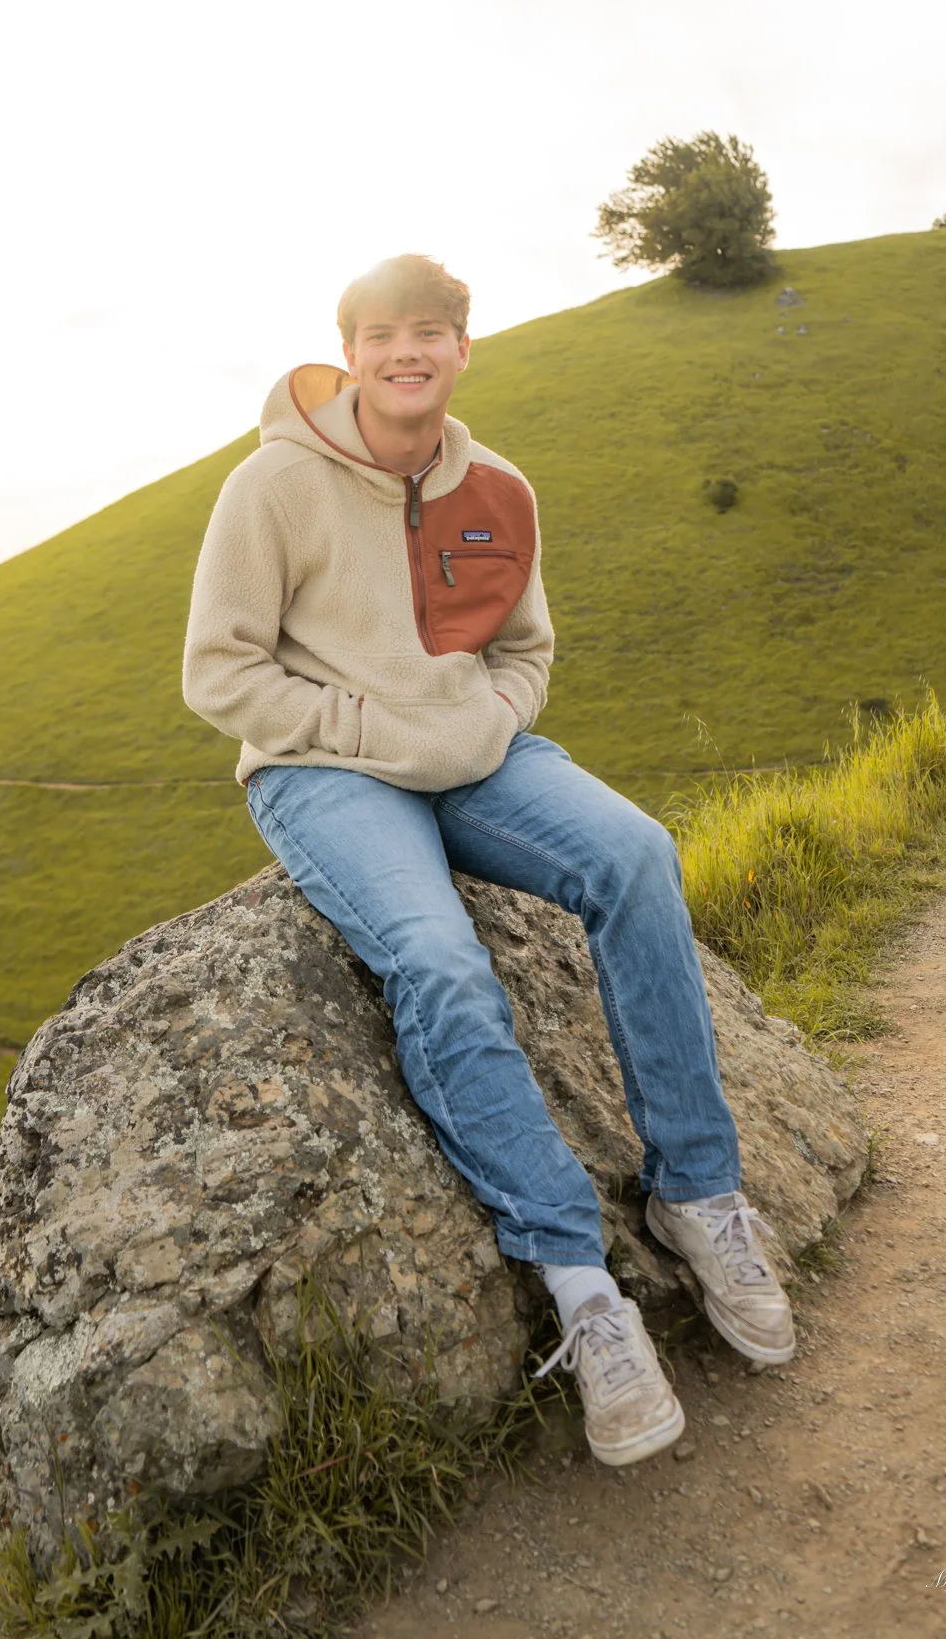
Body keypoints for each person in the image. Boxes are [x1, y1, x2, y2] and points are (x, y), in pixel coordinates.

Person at [182, 253, 794, 1468]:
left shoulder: (499, 487)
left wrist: (492, 723)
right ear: (348, 349)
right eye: (381, 334)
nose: (406, 352)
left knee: (635, 854)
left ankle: (697, 1192)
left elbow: (526, 645)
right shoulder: (272, 487)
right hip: (326, 770)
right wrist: (372, 732)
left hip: (475, 758)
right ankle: (583, 1287)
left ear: (462, 348)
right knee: (440, 961)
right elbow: (221, 671)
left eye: (430, 333)